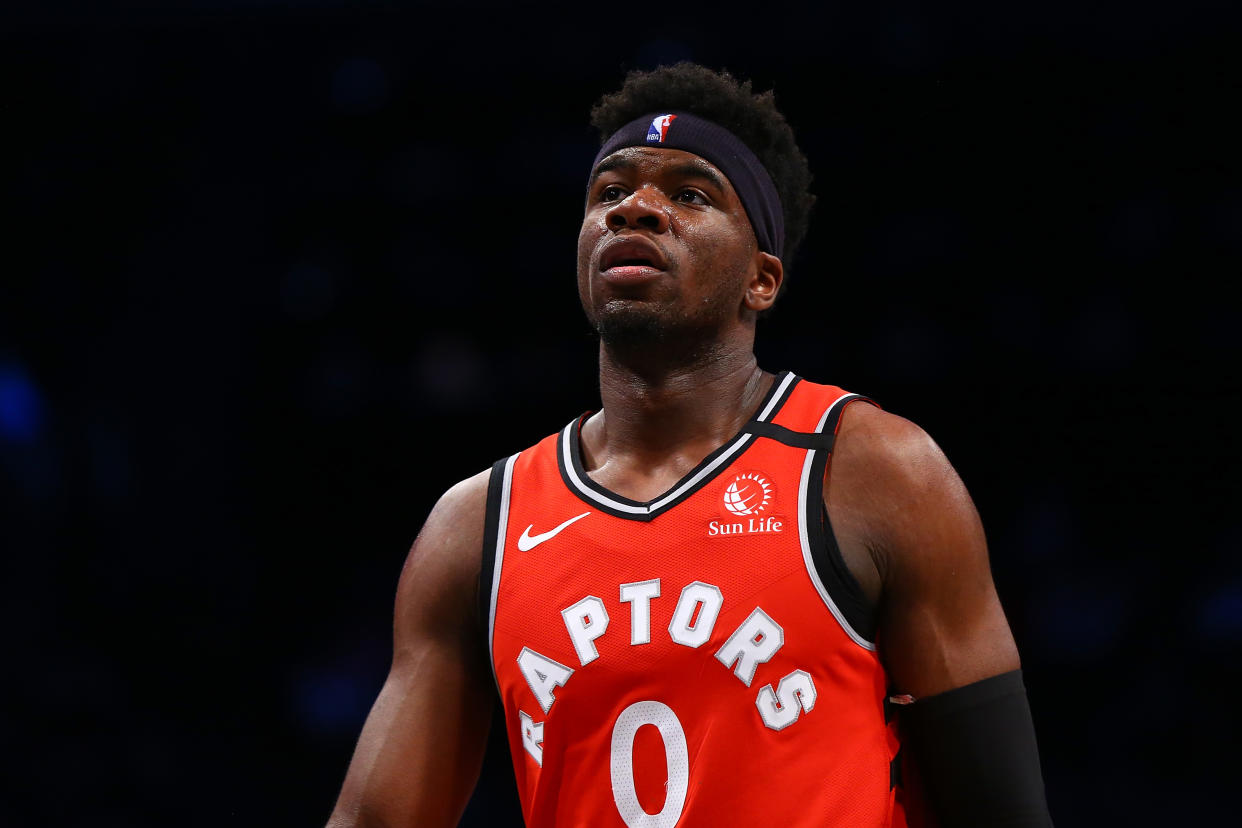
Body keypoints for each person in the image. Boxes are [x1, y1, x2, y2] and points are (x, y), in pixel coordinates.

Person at [325, 63, 1053, 827]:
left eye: (689, 194)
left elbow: (999, 809)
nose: (635, 209)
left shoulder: (871, 471)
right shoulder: (477, 527)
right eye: (609, 192)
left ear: (762, 280)